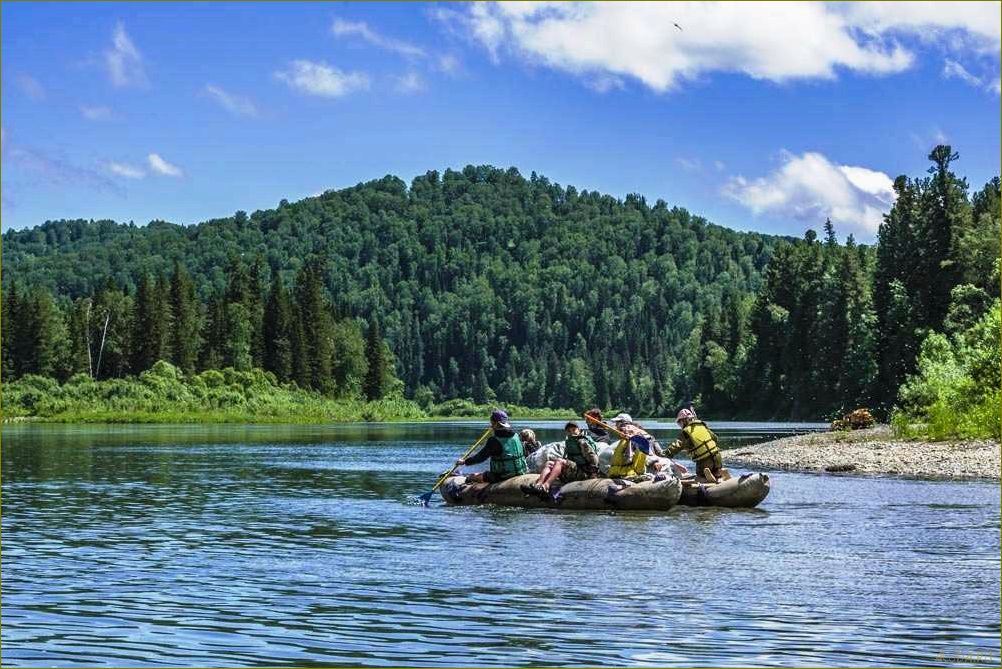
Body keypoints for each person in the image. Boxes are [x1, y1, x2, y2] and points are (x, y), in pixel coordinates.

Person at [521, 421, 600, 497]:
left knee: (560, 461)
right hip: (575, 470)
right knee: (549, 463)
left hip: (585, 472)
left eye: (574, 429)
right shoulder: (569, 441)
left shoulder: (582, 442)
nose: (572, 432)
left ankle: (546, 486)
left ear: (578, 430)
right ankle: (538, 485)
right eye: (569, 431)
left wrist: (593, 473)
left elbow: (593, 458)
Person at [455, 409, 528, 484]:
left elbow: (480, 458)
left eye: (491, 422)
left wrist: (464, 462)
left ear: (495, 423)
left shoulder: (493, 440)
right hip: (521, 471)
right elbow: (524, 453)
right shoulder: (516, 436)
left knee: (472, 476)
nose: (490, 424)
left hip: (501, 475)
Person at [665, 408, 728, 482]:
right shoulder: (702, 425)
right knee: (716, 472)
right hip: (717, 457)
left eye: (680, 422)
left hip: (705, 461)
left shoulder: (686, 432)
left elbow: (676, 446)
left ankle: (706, 479)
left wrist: (665, 454)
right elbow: (715, 438)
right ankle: (719, 475)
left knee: (699, 478)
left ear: (684, 421)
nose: (680, 425)